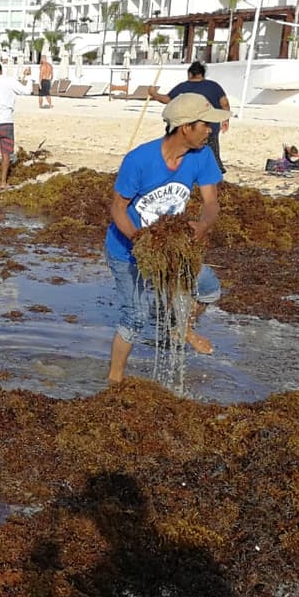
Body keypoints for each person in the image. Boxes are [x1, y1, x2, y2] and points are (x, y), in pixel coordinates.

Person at [105, 93, 228, 384]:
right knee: (134, 318)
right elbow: (117, 208)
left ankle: (182, 327)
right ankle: (114, 381)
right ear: (186, 127)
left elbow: (211, 202)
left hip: (172, 247)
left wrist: (203, 225)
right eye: (205, 125)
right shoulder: (139, 160)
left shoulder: (202, 156)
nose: (210, 130)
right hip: (126, 249)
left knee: (209, 290)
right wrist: (142, 241)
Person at [148, 61, 230, 173]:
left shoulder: (183, 87)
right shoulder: (214, 86)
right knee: (212, 155)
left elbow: (167, 100)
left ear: (190, 74)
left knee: (188, 157)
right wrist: (225, 120)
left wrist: (154, 94)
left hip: (188, 130)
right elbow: (224, 103)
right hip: (210, 128)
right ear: (203, 74)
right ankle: (215, 173)